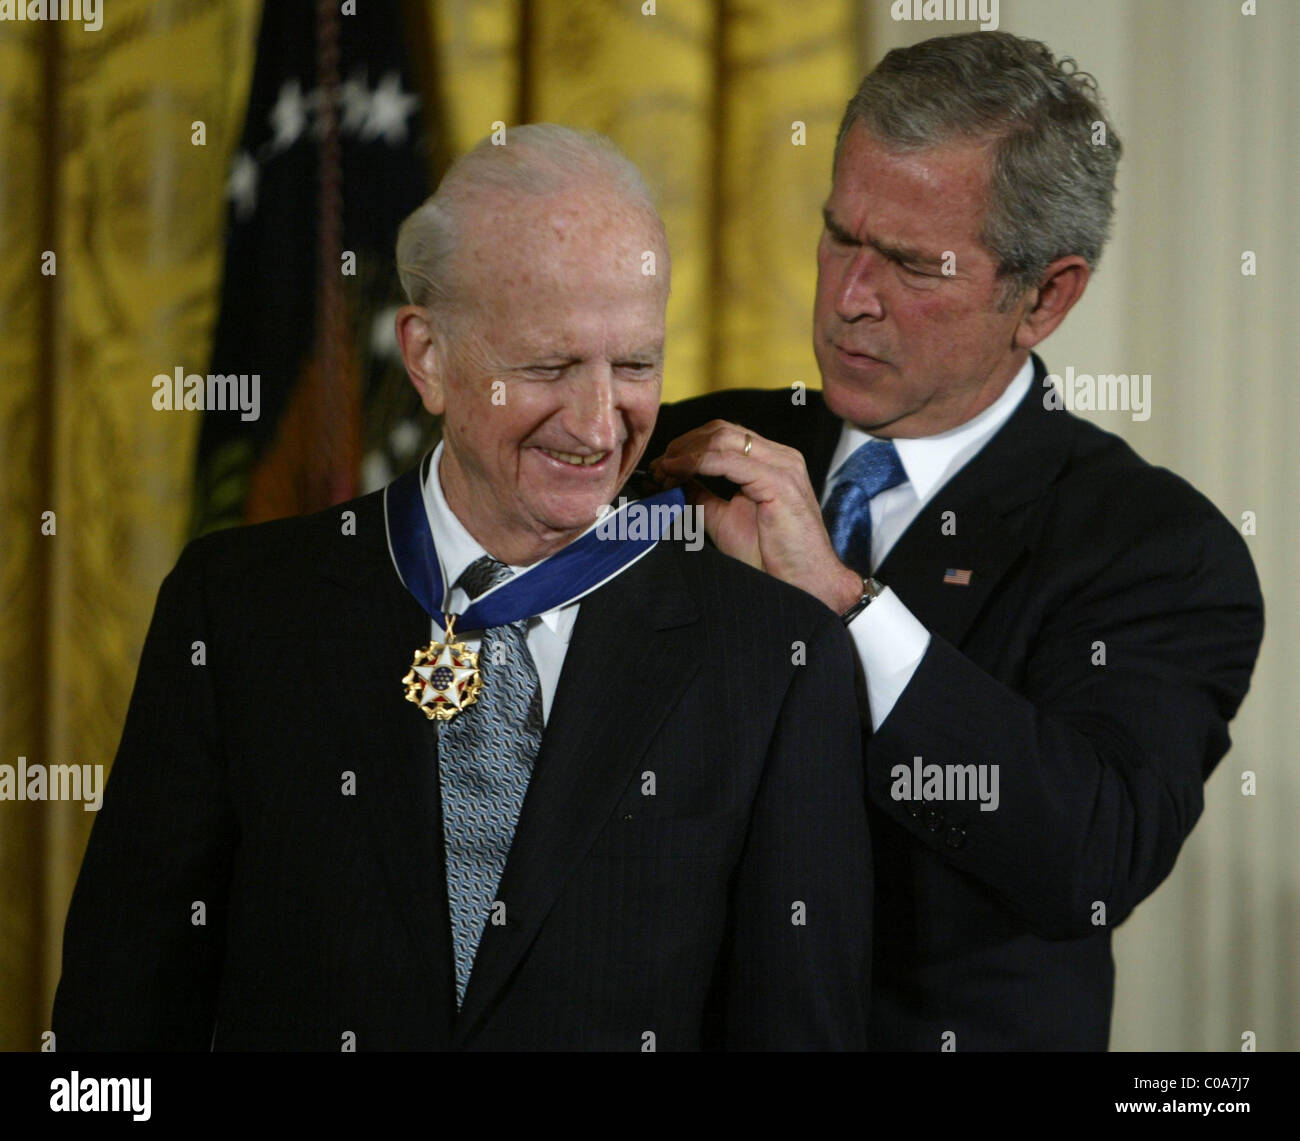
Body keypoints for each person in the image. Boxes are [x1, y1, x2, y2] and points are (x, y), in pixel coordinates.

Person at [52, 125, 872, 1051]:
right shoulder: (237, 610)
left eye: (635, 363)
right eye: (550, 366)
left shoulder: (774, 656)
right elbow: (119, 1019)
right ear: (429, 357)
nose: (600, 424)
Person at [648, 32, 1264, 1050]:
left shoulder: (1156, 549)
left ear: (1044, 296)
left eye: (909, 265)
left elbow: (1091, 854)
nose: (849, 295)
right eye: (839, 235)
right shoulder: (693, 450)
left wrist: (845, 602)